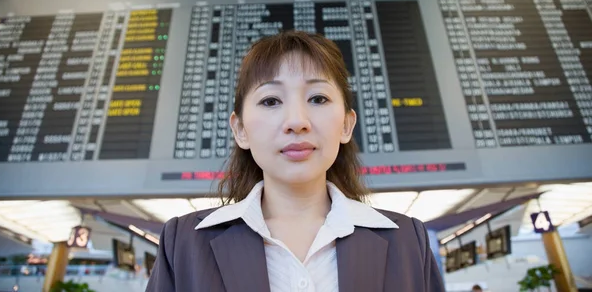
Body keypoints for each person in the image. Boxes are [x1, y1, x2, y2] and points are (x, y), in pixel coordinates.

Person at [146, 31, 445, 291]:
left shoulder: (408, 242)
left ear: (346, 125)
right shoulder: (183, 244)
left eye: (318, 98)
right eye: (271, 101)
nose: (297, 122)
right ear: (240, 129)